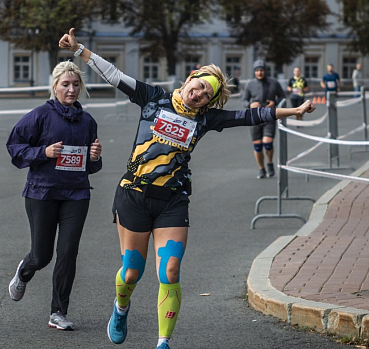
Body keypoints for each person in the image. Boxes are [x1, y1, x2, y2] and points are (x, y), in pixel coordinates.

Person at [59, 28, 315, 349]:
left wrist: (294, 110)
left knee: (171, 268)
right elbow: (115, 75)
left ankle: (163, 342)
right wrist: (79, 49)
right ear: (190, 79)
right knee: (131, 273)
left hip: (172, 201)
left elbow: (251, 115)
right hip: (134, 196)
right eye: (199, 87)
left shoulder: (206, 119)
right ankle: (121, 307)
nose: (199, 94)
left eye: (206, 94)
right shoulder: (153, 98)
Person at [6, 60, 103, 331]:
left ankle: (58, 312)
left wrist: (95, 157)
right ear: (55, 87)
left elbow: (91, 165)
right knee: (43, 256)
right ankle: (24, 271)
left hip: (76, 194)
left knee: (68, 253)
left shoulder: (87, 122)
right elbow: (14, 146)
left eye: (75, 84)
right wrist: (43, 153)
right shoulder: (39, 116)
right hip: (42, 193)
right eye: (65, 85)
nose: (71, 90)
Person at [244, 59, 285, 179]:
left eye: (261, 70)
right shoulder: (250, 84)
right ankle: (261, 169)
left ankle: (270, 162)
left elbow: (282, 96)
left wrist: (275, 102)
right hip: (254, 118)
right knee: (257, 146)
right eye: (257, 71)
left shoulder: (273, 83)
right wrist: (249, 105)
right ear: (254, 72)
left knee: (267, 143)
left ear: (265, 71)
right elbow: (244, 100)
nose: (259, 73)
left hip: (269, 117)